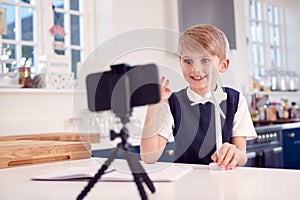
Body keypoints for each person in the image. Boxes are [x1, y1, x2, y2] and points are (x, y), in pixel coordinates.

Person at [140, 24, 257, 170]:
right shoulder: (171, 102)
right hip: (186, 182)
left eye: (205, 61)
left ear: (223, 65)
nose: (195, 69)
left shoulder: (235, 100)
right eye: (188, 61)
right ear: (180, 61)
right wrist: (153, 108)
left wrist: (235, 155)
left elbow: (242, 155)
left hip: (225, 181)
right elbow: (148, 157)